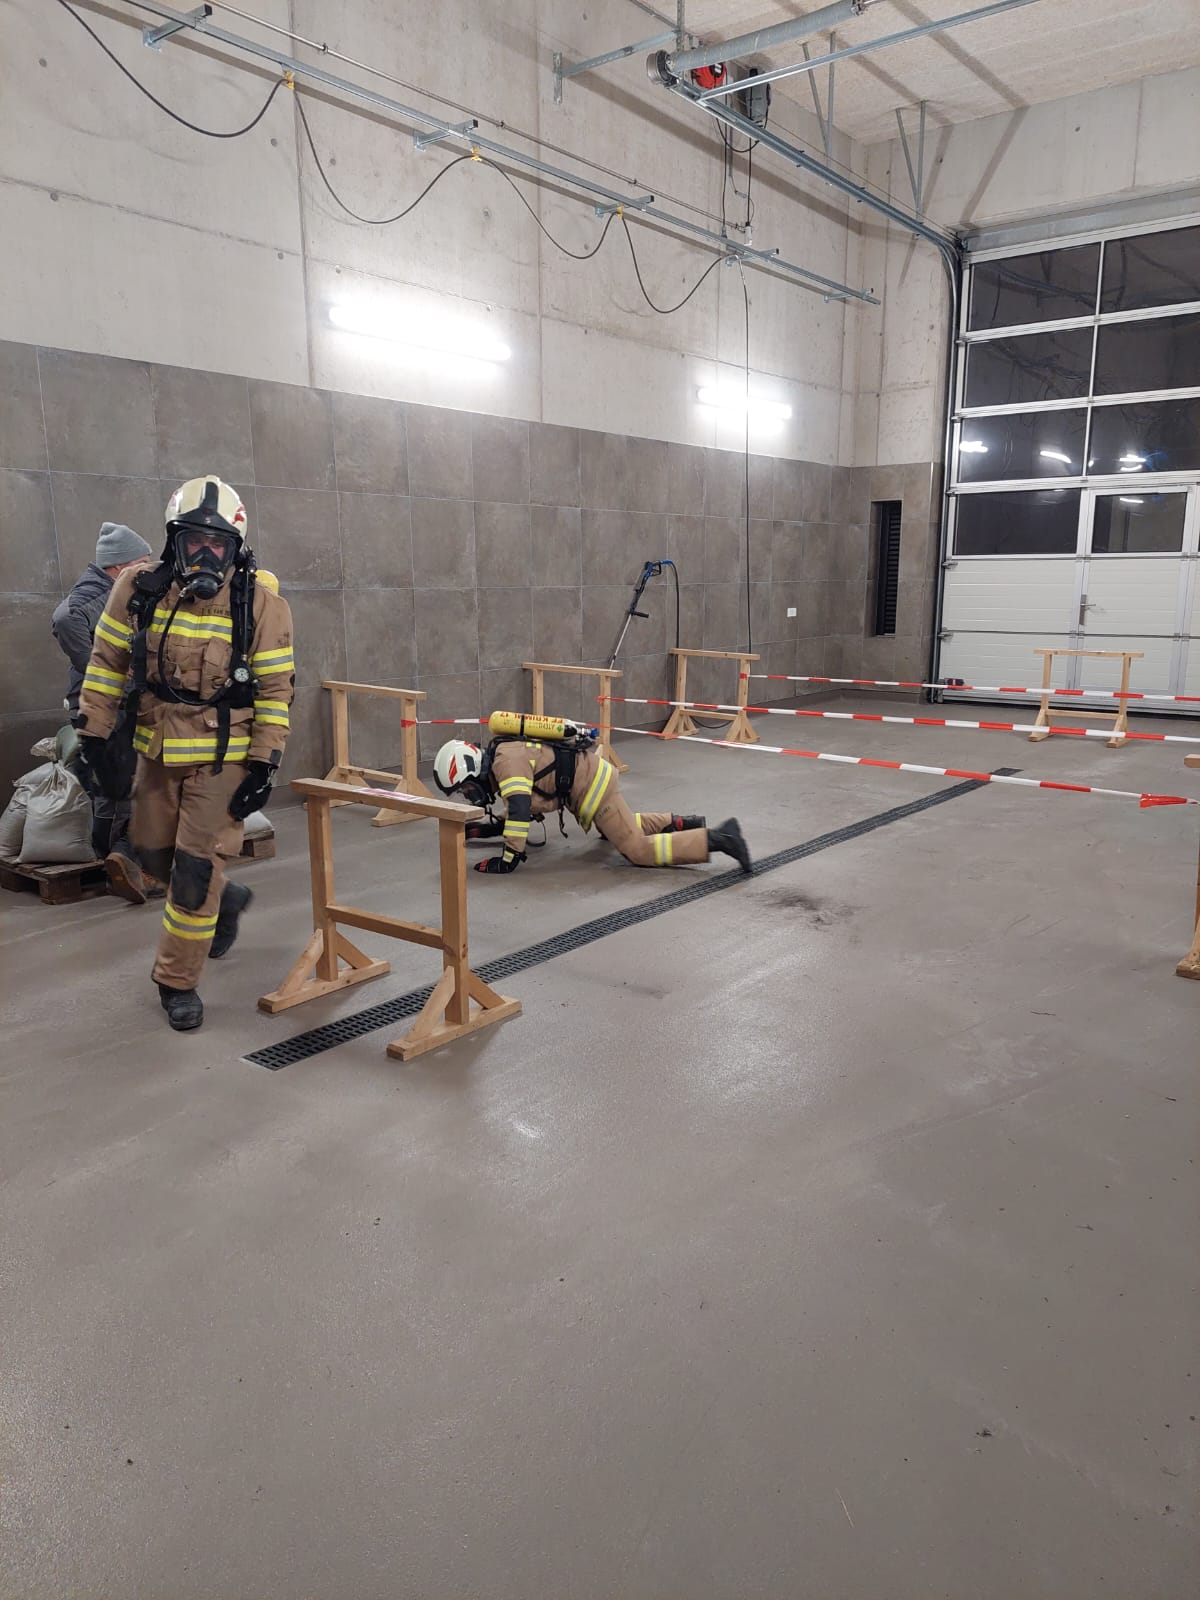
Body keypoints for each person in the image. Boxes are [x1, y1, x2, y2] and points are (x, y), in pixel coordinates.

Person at [74, 476, 295, 1032]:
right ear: (174, 540)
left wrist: (264, 764)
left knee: (194, 874)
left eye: (218, 544)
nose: (205, 554)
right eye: (194, 540)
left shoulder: (261, 605)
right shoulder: (137, 589)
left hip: (223, 761)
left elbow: (275, 692)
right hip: (154, 751)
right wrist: (94, 736)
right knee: (151, 858)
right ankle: (227, 897)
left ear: (235, 547)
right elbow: (105, 665)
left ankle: (176, 982)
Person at [432, 723, 751, 876]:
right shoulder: (504, 757)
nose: (471, 796)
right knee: (620, 827)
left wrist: (508, 859)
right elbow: (519, 809)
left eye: (467, 789)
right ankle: (684, 823)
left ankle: (720, 839)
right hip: (591, 782)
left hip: (593, 790)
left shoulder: (505, 763)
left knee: (637, 850)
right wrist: (486, 830)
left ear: (471, 769)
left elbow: (518, 810)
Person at [51, 521, 154, 892]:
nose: (148, 569)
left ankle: (115, 859)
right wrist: (102, 670)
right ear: (119, 566)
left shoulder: (115, 591)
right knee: (118, 788)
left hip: (109, 703)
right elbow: (64, 619)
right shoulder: (96, 593)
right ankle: (116, 863)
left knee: (113, 785)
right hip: (103, 705)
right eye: (142, 563)